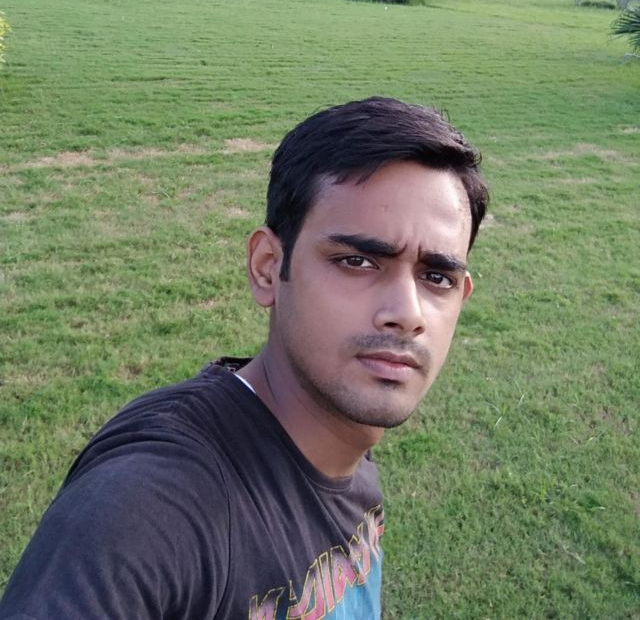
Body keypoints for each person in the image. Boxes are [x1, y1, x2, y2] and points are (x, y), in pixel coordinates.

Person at [0, 96, 488, 620]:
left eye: (436, 276)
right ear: (267, 267)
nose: (407, 313)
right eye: (357, 261)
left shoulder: (342, 436)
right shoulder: (151, 506)